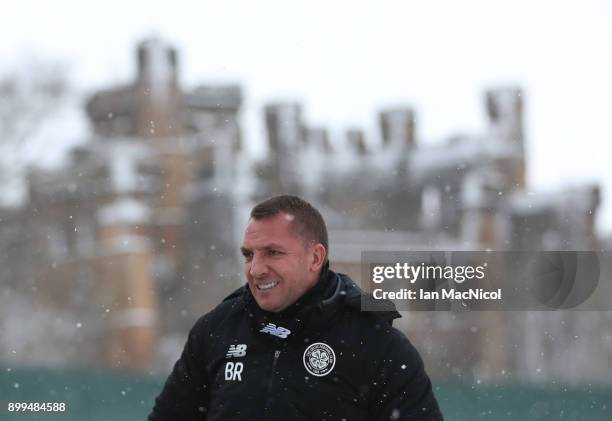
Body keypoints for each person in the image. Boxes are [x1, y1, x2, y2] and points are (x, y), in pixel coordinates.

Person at [149, 195, 443, 420]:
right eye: (248, 255)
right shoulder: (216, 331)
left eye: (273, 253)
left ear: (315, 258)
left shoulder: (378, 344)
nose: (256, 269)